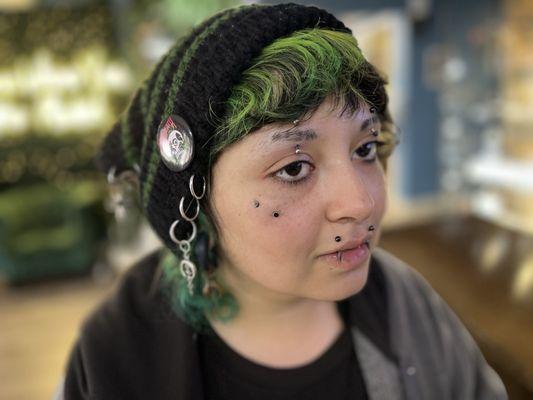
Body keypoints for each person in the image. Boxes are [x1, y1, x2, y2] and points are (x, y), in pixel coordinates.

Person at [61, 3, 507, 399]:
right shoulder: (114, 357)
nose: (360, 203)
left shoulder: (402, 302)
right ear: (194, 205)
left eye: (366, 148)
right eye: (293, 168)